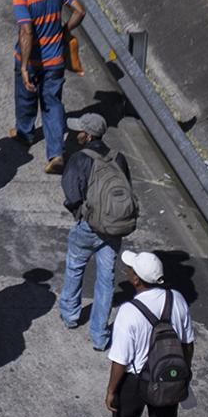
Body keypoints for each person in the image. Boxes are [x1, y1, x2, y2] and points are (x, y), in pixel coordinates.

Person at [61, 111, 136, 352]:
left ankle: (71, 315)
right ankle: (99, 336)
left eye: (79, 130)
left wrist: (80, 212)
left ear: (88, 134)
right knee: (106, 279)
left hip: (89, 224)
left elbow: (71, 192)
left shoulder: (80, 158)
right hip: (113, 228)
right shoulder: (119, 157)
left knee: (75, 266)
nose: (76, 134)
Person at [105, 249, 194, 417]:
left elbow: (120, 360)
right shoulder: (177, 299)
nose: (127, 271)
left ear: (137, 280)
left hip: (134, 382)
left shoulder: (129, 312)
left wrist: (111, 390)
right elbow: (188, 343)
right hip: (168, 375)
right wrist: (184, 373)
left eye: (130, 269)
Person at [10, 0, 84, 171]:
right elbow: (79, 11)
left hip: (32, 60)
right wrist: (63, 30)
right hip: (55, 60)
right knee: (52, 104)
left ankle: (25, 133)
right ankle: (56, 154)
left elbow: (26, 32)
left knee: (25, 95)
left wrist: (23, 66)